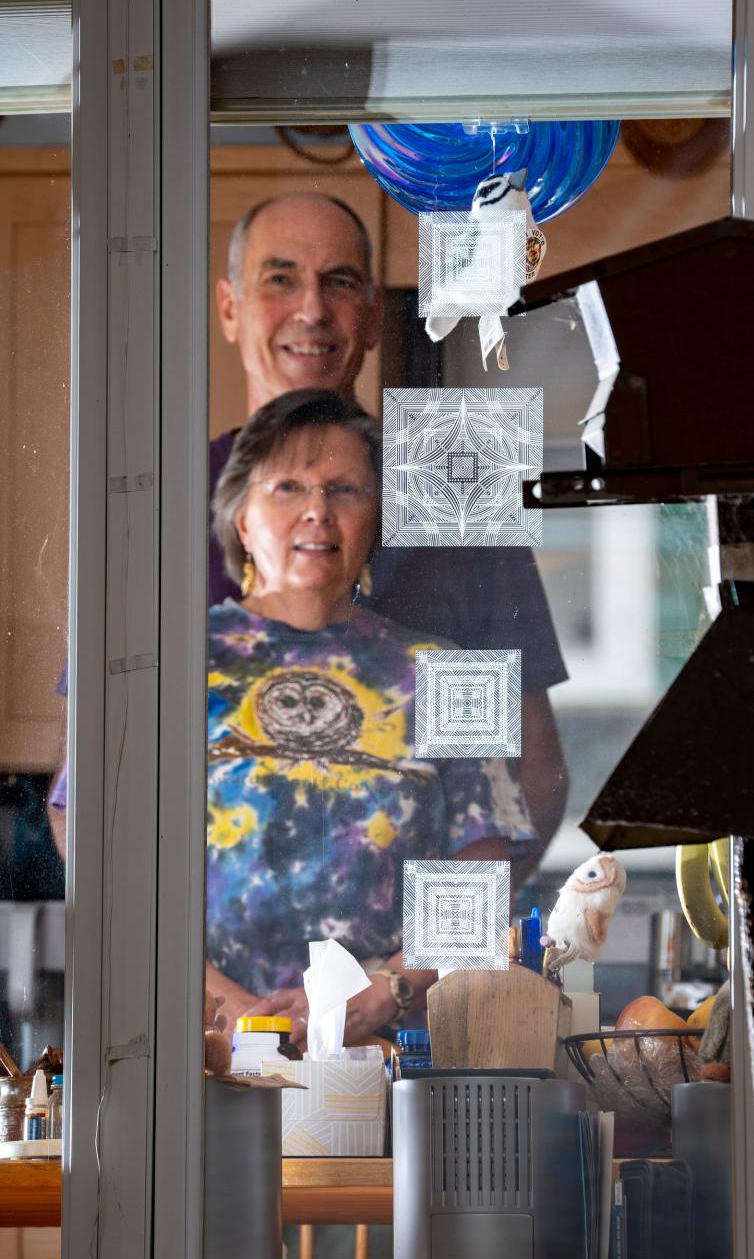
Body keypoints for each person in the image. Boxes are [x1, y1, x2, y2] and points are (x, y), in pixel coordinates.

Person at [49, 191, 569, 860]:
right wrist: (196, 961)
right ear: (230, 308)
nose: (312, 309)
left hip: (413, 957)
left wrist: (425, 959)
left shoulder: (455, 484)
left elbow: (533, 772)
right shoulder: (150, 509)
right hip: (201, 958)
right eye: (280, 278)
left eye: (340, 282)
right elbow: (92, 786)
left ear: (376, 315)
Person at [206, 388, 536, 1044]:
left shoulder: (449, 671)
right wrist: (230, 1006)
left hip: (392, 1052)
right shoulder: (172, 666)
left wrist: (389, 989)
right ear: (242, 517)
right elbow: (111, 865)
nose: (318, 513)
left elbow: (480, 874)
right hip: (203, 1056)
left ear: (378, 516)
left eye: (345, 491)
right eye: (288, 489)